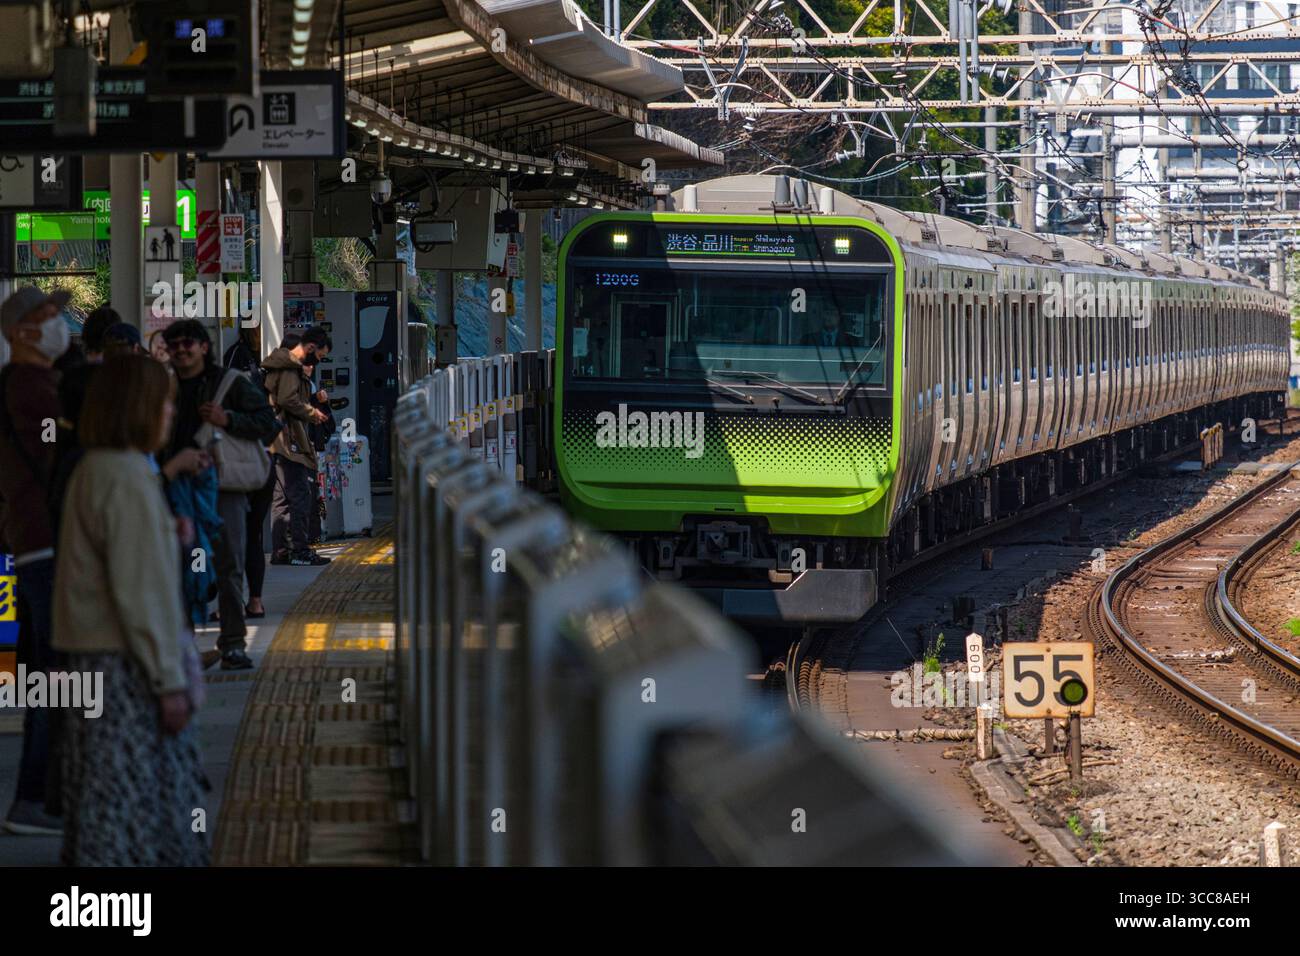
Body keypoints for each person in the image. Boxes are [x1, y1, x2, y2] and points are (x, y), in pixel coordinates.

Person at [54, 354, 209, 866]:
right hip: (126, 667)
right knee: (135, 804)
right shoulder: (126, 477)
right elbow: (142, 594)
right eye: (162, 403)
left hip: (89, 662)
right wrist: (169, 680)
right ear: (137, 408)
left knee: (99, 799)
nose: (169, 413)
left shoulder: (92, 467)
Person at [161, 319, 279, 671]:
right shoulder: (164, 388)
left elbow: (269, 424)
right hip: (177, 487)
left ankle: (232, 644)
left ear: (203, 347)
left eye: (188, 343)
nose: (182, 350)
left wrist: (228, 420)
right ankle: (186, 645)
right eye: (175, 344)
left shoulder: (230, 384)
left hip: (223, 485)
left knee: (229, 565)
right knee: (180, 567)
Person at [0, 286, 72, 836]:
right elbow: (58, 464)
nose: (61, 323)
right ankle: (37, 798)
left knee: (50, 673)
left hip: (33, 545)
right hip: (47, 545)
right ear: (22, 331)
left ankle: (46, 794)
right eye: (49, 316)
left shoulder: (22, 386)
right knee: (56, 676)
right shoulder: (33, 390)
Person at [262, 326, 333, 567]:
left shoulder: (280, 364)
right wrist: (312, 412)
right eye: (320, 355)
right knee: (301, 494)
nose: (319, 361)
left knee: (281, 499)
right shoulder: (291, 367)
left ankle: (281, 551)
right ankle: (300, 550)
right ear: (311, 347)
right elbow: (288, 400)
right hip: (288, 439)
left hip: (277, 439)